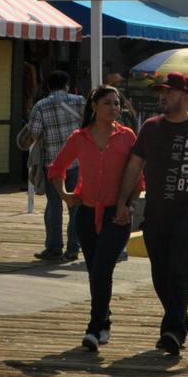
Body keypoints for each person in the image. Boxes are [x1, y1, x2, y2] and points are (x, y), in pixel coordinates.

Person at [117, 71, 188, 356]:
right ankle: (179, 319)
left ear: (185, 96)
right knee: (160, 275)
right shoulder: (150, 128)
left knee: (180, 271)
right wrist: (122, 201)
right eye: (161, 92)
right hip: (154, 213)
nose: (162, 97)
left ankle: (172, 332)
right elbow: (133, 167)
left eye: (169, 92)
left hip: (186, 213)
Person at [49, 85, 143, 351]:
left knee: (102, 269)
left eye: (117, 104)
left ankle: (93, 327)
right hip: (86, 215)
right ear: (94, 106)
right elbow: (56, 168)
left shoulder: (127, 137)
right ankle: (104, 322)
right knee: (96, 273)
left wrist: (131, 206)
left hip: (117, 214)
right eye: (108, 103)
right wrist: (66, 194)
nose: (114, 108)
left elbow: (137, 177)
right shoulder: (80, 137)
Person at [28, 70, 86, 262]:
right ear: (67, 85)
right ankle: (73, 248)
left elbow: (34, 134)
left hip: (53, 163)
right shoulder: (79, 101)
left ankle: (53, 247)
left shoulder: (40, 106)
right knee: (76, 206)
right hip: (77, 162)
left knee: (54, 205)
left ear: (47, 86)